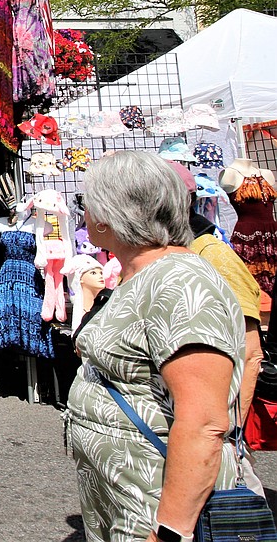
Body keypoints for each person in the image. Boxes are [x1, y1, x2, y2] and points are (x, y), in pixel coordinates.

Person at [68, 151, 245, 542]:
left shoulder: (179, 281)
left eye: (85, 200)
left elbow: (203, 420)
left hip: (156, 504)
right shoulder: (142, 272)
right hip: (128, 492)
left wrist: (169, 531)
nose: (80, 211)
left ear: (109, 214)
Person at [169, 161, 265, 411]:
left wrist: (230, 432)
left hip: (205, 420)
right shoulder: (153, 255)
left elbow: (250, 353)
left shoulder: (213, 255)